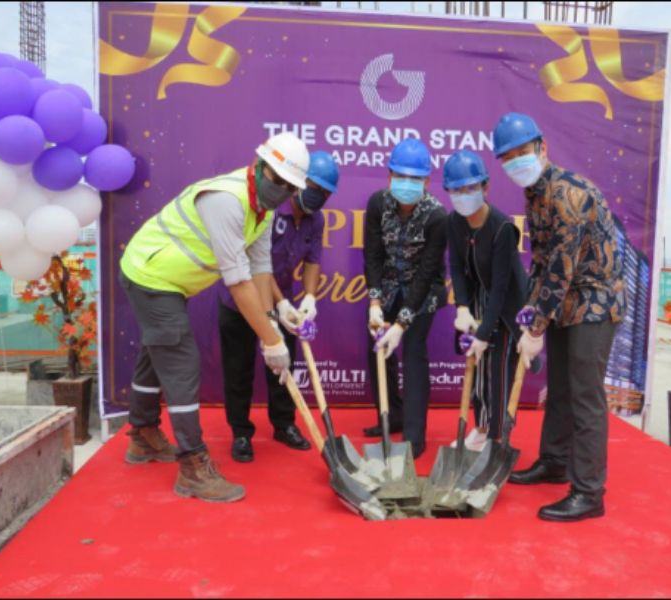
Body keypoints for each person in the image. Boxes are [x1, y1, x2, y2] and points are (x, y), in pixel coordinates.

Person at [118, 132, 309, 503]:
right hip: (150, 275)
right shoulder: (227, 200)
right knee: (181, 360)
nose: (282, 190)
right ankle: (192, 465)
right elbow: (238, 282)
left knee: (157, 353)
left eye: (290, 187)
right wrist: (272, 341)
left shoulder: (263, 210)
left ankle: (142, 437)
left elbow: (260, 268)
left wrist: (277, 310)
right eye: (278, 180)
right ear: (261, 166)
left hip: (172, 282)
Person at [493, 112, 626, 522]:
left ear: (542, 148)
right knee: (561, 389)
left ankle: (588, 492)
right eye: (508, 158)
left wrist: (536, 328)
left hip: (594, 304)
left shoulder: (569, 193)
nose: (517, 162)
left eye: (522, 153)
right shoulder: (535, 193)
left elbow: (562, 266)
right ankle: (554, 461)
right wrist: (532, 311)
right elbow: (542, 261)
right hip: (564, 303)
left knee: (585, 395)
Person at [216, 151, 339, 462]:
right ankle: (241, 432)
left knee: (284, 367)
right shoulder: (271, 210)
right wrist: (281, 303)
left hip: (283, 305)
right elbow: (258, 266)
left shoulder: (316, 218)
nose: (319, 195)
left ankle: (284, 425)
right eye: (315, 186)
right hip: (242, 301)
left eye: (326, 192)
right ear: (299, 182)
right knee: (239, 369)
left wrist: (309, 299)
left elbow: (313, 261)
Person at [363, 138, 448, 459]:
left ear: (426, 181)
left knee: (412, 351)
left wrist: (402, 322)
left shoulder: (437, 216)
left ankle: (414, 435)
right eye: (401, 176)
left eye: (416, 179)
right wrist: (374, 303)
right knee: (376, 349)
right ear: (389, 177)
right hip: (384, 286)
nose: (407, 184)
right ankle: (391, 415)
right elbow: (371, 255)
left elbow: (427, 274)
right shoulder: (376, 203)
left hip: (422, 291)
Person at [444, 149, 530, 450]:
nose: (463, 195)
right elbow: (456, 265)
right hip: (479, 298)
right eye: (456, 189)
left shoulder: (502, 228)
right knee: (478, 369)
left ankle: (497, 436)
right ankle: (480, 428)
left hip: (506, 309)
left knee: (497, 371)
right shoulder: (454, 221)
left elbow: (502, 288)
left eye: (470, 188)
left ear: (485, 187)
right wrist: (463, 308)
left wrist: (484, 332)